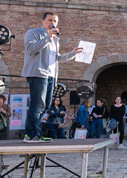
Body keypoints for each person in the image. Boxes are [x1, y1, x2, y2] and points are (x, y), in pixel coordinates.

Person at [22, 12, 82, 143]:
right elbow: (31, 49)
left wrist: (72, 53)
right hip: (37, 73)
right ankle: (31, 134)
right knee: (37, 105)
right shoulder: (33, 33)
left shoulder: (54, 39)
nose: (52, 23)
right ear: (42, 21)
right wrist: (48, 37)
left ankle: (37, 133)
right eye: (49, 20)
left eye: (54, 20)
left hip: (50, 76)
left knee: (44, 106)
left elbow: (57, 58)